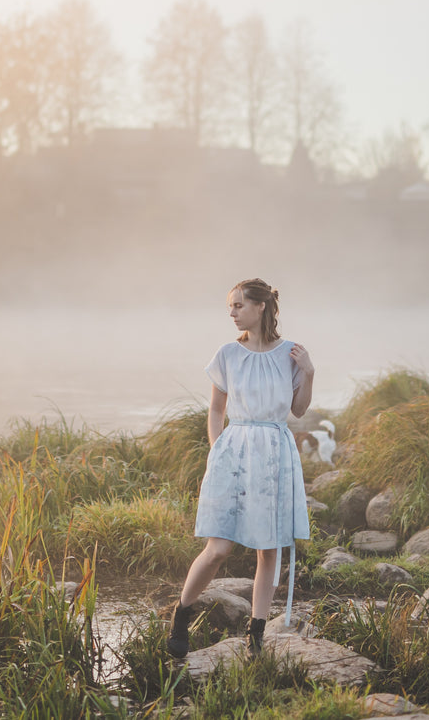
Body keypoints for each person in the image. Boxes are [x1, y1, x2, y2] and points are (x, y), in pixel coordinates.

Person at [166, 278, 314, 658]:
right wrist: (218, 452)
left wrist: (308, 373)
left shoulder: (290, 354)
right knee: (219, 547)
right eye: (230, 307)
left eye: (238, 306)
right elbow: (216, 411)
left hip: (275, 452)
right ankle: (181, 614)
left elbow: (298, 411)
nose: (231, 313)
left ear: (260, 307)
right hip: (234, 450)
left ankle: (257, 631)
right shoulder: (228, 354)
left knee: (269, 548)